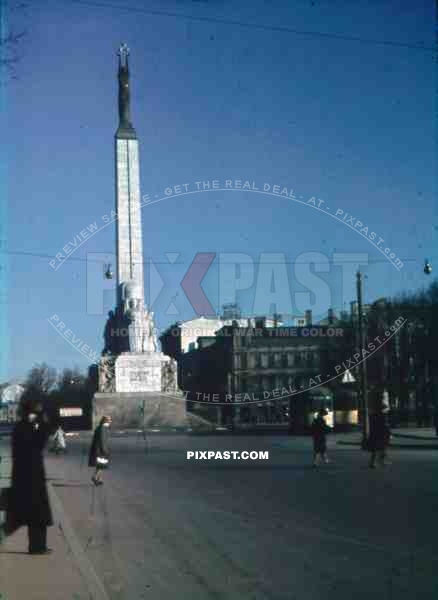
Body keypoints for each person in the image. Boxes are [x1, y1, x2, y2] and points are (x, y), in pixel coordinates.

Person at [0, 398, 54, 554]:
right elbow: (37, 445)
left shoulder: (23, 427)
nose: (36, 416)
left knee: (26, 517)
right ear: (30, 413)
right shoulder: (25, 428)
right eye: (35, 413)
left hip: (27, 477)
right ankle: (37, 547)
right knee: (28, 516)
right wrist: (43, 425)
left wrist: (42, 425)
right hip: (29, 479)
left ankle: (38, 546)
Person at [88, 416, 112, 486]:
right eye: (109, 420)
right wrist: (104, 450)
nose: (111, 421)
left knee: (100, 465)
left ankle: (98, 479)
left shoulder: (100, 427)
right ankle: (95, 477)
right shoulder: (103, 428)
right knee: (101, 465)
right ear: (106, 421)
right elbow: (102, 440)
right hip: (100, 450)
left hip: (98, 449)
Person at [368, 400, 391, 468]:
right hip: (382, 433)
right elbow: (385, 425)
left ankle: (380, 461)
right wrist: (389, 433)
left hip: (375, 433)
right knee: (380, 447)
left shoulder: (373, 415)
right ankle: (375, 462)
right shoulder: (382, 416)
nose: (386, 410)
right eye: (385, 409)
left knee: (379, 448)